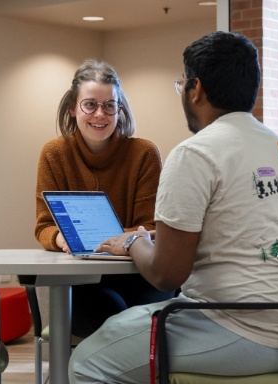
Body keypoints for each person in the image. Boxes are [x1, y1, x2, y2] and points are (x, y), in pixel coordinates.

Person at [68, 32, 278, 383]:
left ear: (195, 89)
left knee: (86, 362)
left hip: (238, 328)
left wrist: (132, 242)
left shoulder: (195, 153)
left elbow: (167, 274)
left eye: (182, 83)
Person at [34, 59, 175, 338]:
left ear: (119, 110)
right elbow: (44, 226)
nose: (100, 114)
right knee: (110, 313)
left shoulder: (144, 154)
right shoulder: (54, 153)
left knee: (131, 322)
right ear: (73, 108)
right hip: (83, 279)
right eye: (90, 104)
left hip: (140, 275)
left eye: (109, 105)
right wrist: (62, 239)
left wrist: (94, 240)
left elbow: (149, 226)